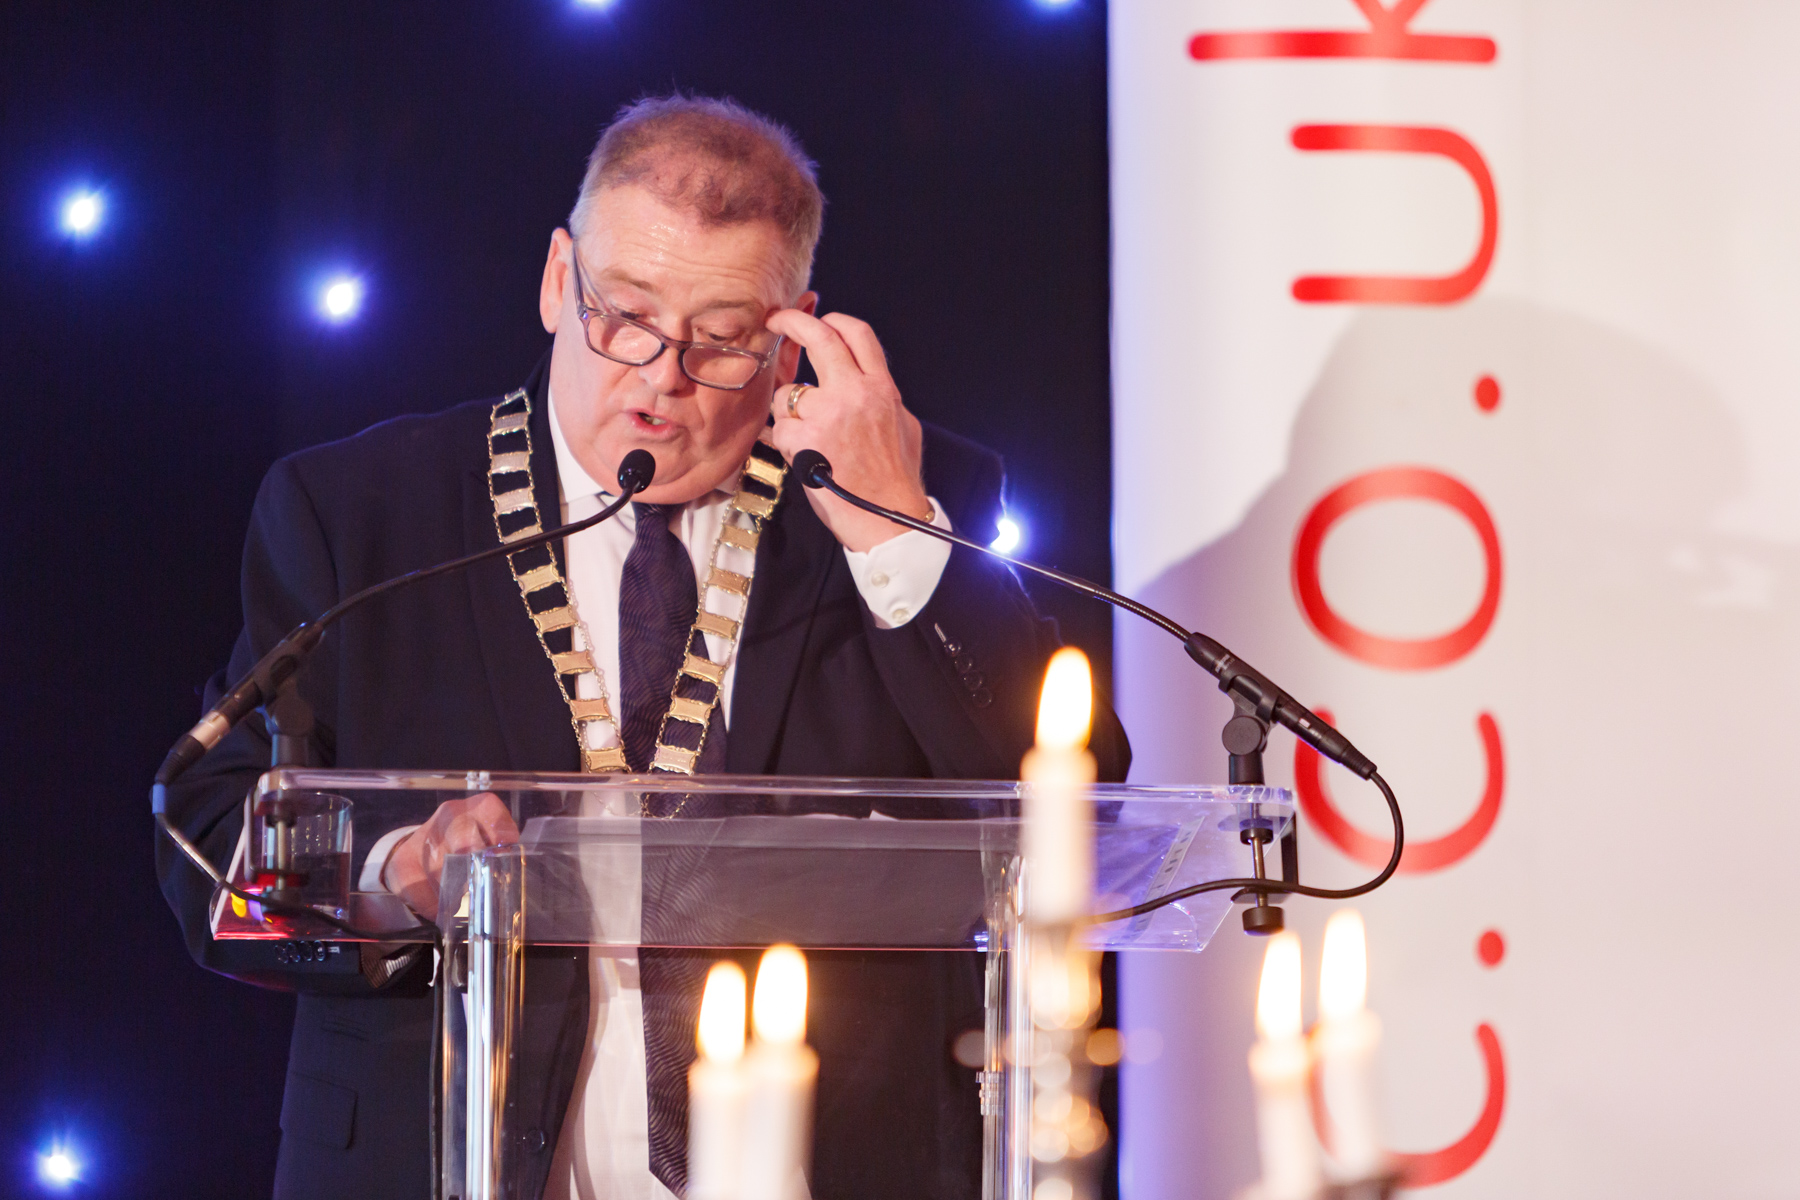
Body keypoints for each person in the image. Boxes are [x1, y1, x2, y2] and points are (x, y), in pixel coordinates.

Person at [157, 94, 1129, 1200]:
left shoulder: (899, 489)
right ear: (555, 280)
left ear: (793, 337)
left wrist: (895, 530)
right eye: (623, 316)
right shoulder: (361, 511)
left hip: (834, 1163)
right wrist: (394, 876)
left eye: (721, 340)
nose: (662, 377)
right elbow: (209, 840)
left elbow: (1078, 811)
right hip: (435, 1161)